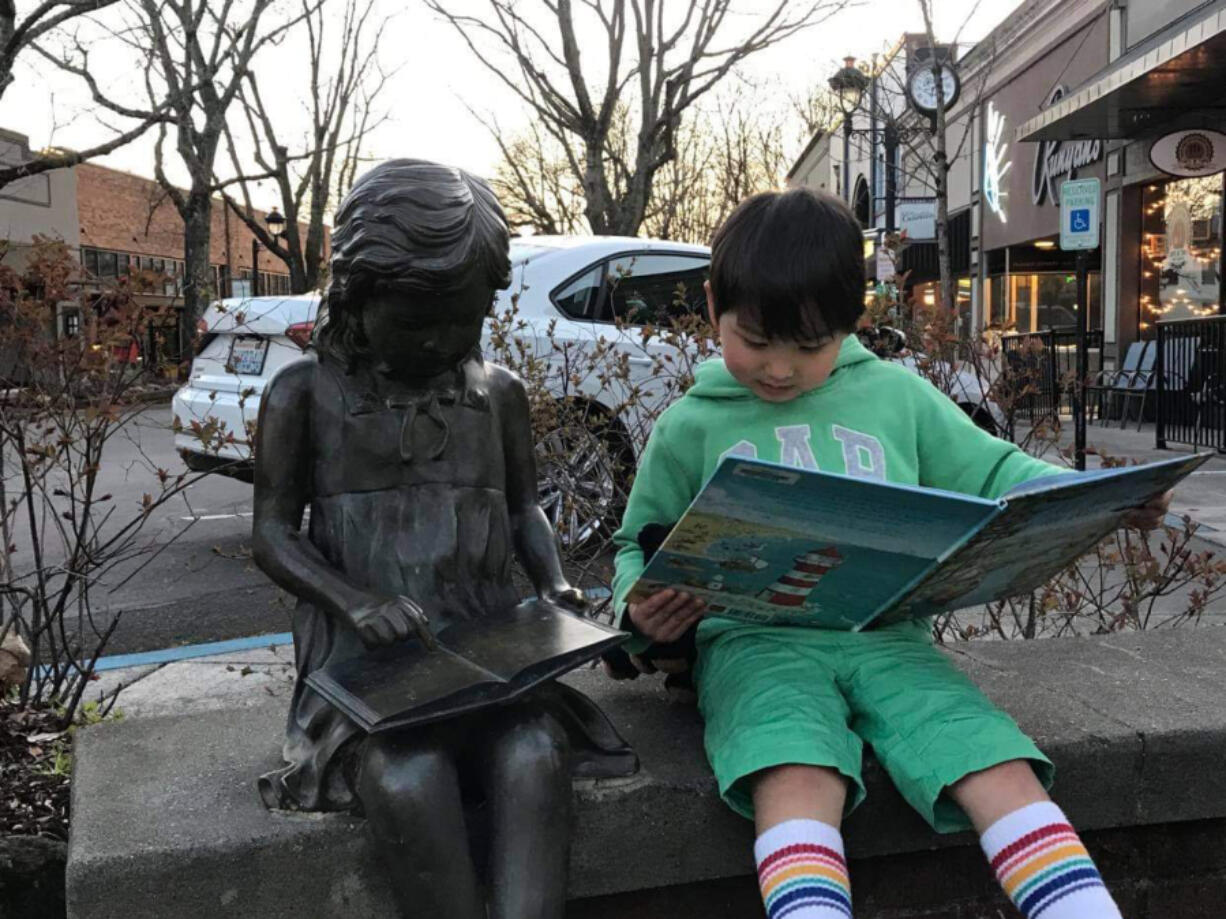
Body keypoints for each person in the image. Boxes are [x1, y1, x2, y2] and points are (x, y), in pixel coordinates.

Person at [610, 188, 1170, 919]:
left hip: (888, 637)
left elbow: (998, 470)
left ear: (855, 320)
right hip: (754, 646)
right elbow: (635, 542)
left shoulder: (894, 396)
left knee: (987, 754)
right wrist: (641, 610)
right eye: (754, 340)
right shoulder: (689, 424)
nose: (779, 369)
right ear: (714, 302)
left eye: (809, 347)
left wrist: (1094, 498)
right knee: (794, 768)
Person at [251, 159, 634, 919]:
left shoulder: (499, 395)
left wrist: (554, 585)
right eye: (418, 320)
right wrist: (354, 600)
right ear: (356, 297)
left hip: (489, 651)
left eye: (464, 320)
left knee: (534, 752)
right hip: (366, 673)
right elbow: (271, 533)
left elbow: (526, 511)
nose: (443, 341)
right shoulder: (304, 393)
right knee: (407, 772)